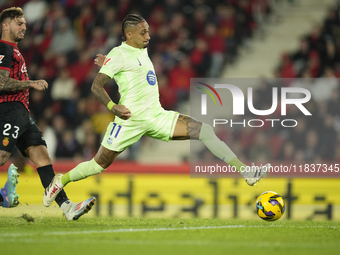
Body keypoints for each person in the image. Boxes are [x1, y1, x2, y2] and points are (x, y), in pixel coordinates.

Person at [43, 14, 270, 205]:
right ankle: (59, 182)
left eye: (148, 31)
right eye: (143, 32)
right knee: (98, 164)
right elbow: (96, 86)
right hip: (129, 120)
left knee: (205, 130)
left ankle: (245, 171)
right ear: (129, 34)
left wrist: (108, 61)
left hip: (156, 116)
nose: (148, 36)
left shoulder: (138, 50)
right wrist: (113, 107)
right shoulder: (120, 52)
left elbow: (130, 69)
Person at [0, 7, 95, 220]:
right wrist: (31, 83)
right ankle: (2, 196)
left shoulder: (14, 49)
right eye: (19, 23)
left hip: (22, 112)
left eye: (25, 23)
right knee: (2, 156)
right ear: (5, 26)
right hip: (9, 109)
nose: (24, 26)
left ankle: (68, 207)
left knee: (42, 156)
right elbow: (1, 82)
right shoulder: (4, 48)